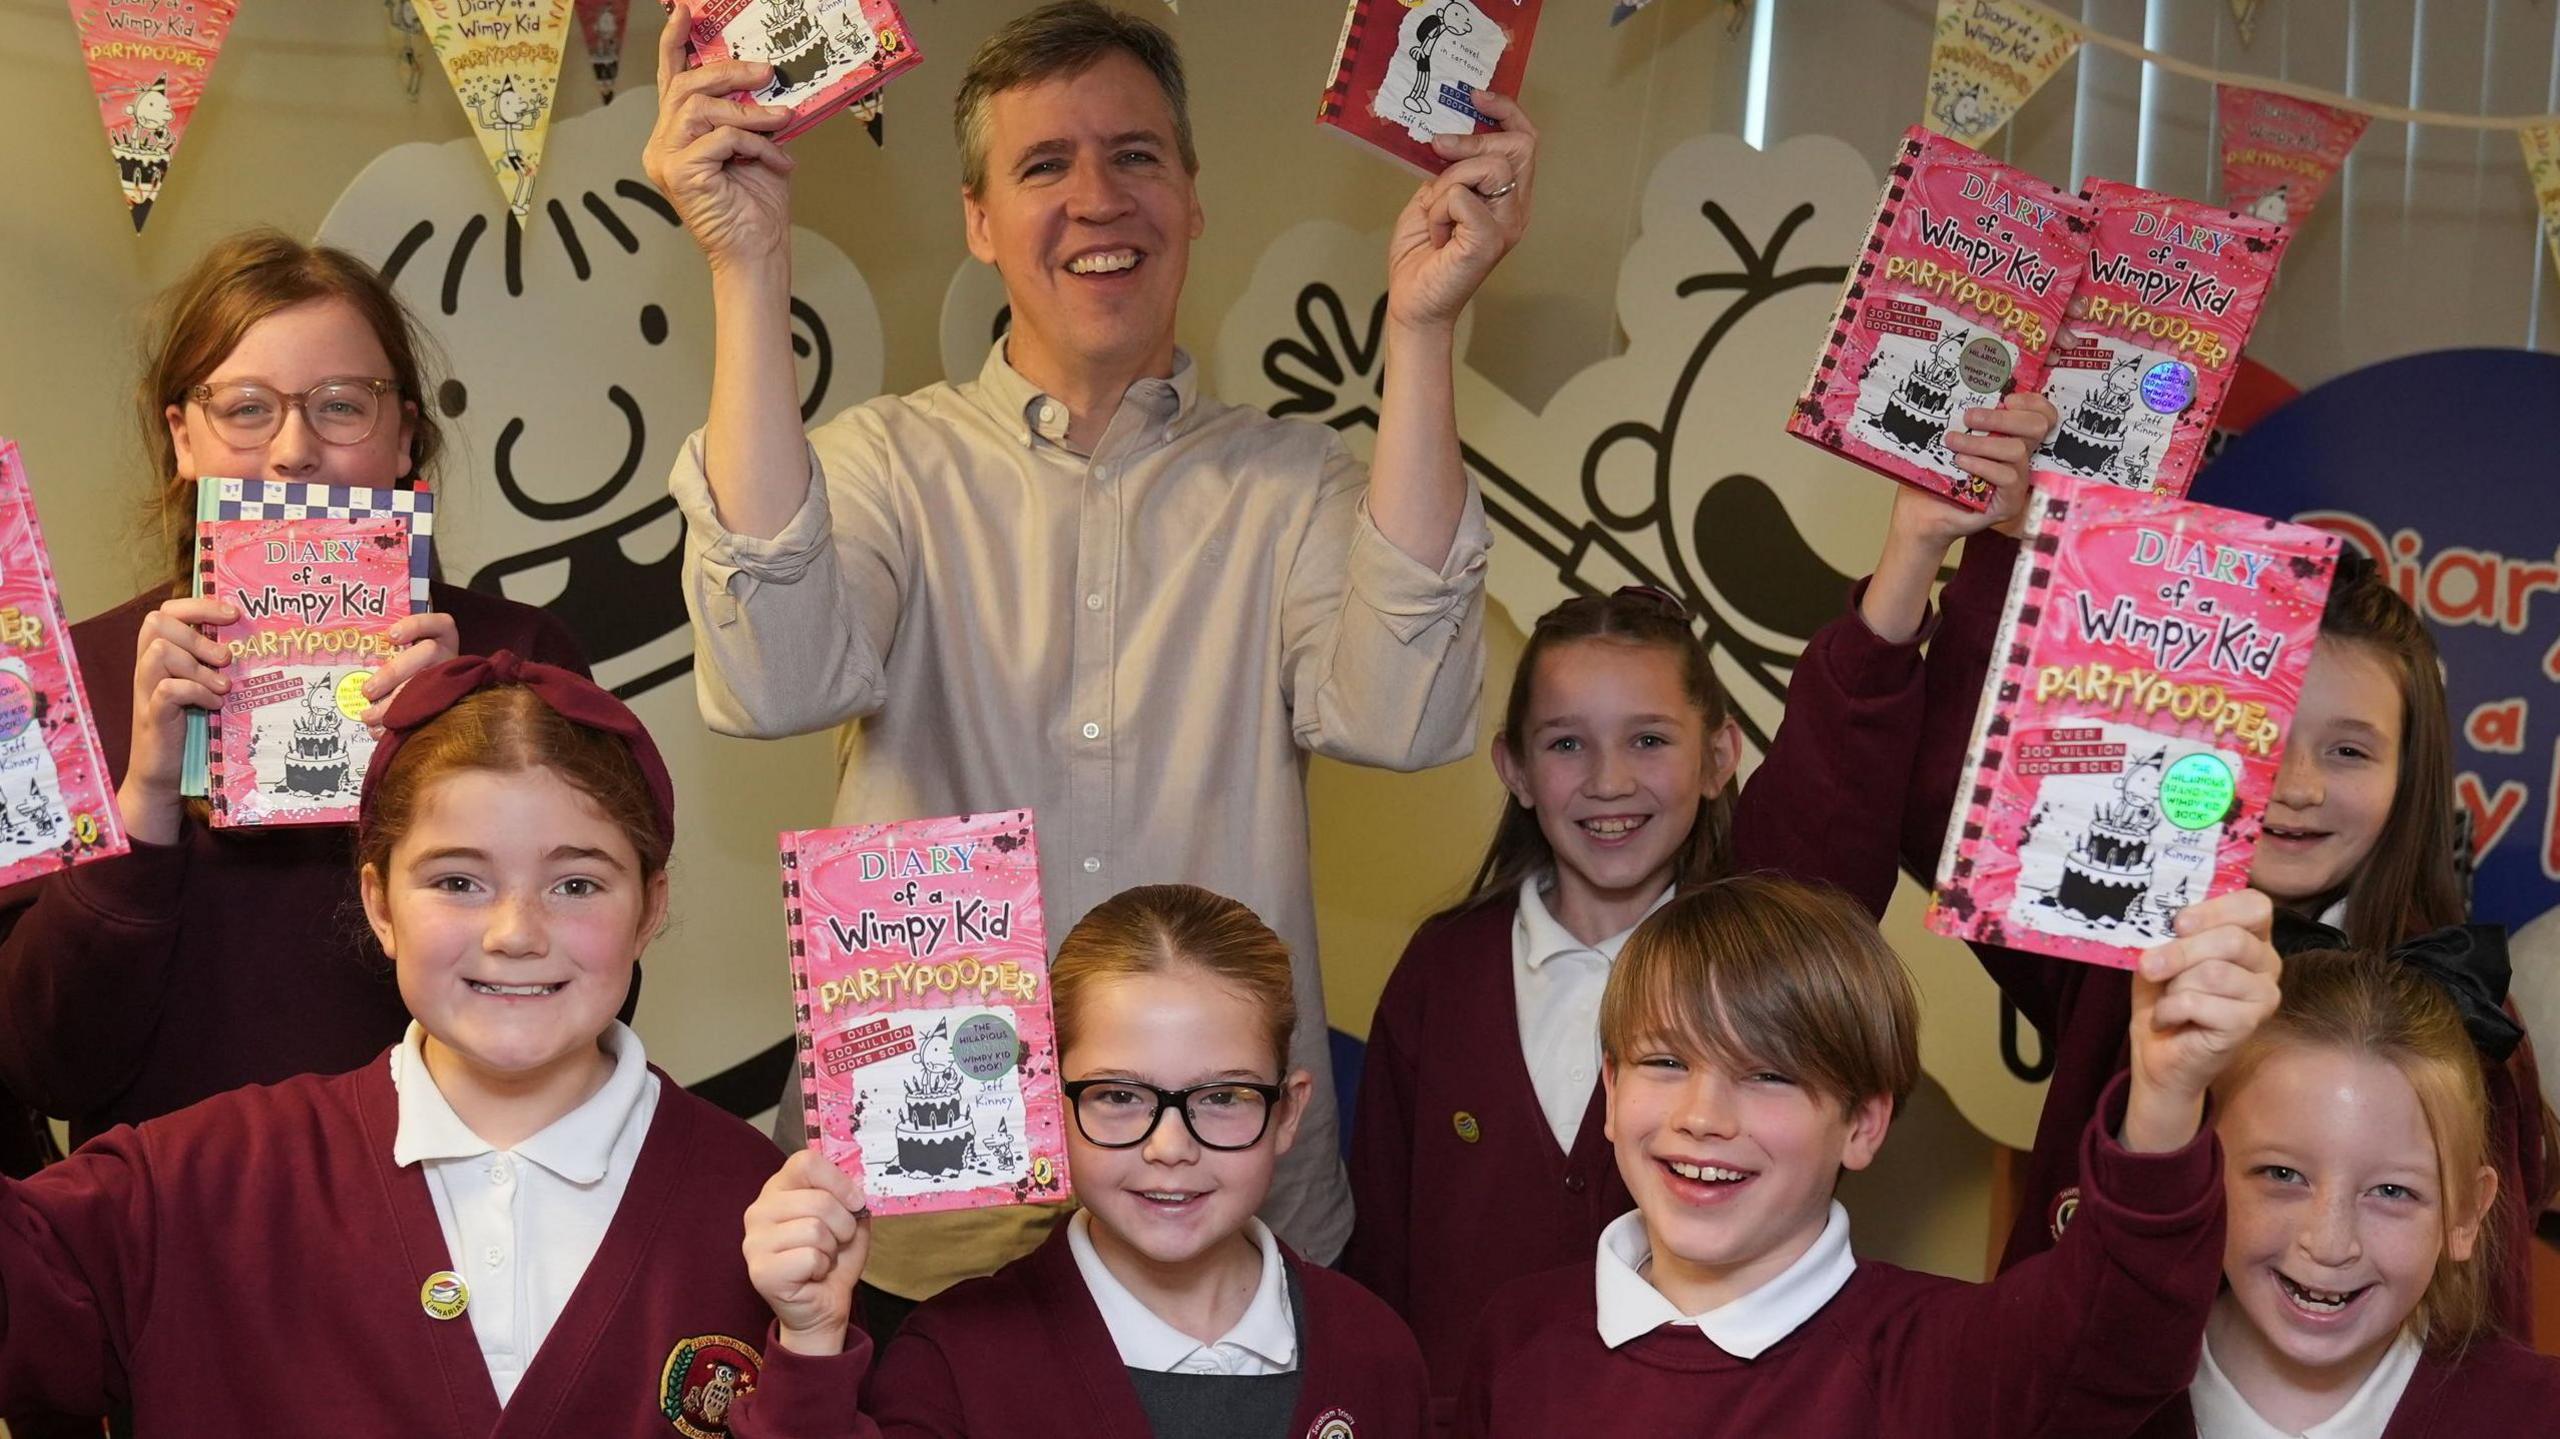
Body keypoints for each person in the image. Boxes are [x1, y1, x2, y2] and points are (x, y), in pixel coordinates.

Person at [647, 0, 1531, 1309]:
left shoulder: (1296, 484)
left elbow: (1400, 715)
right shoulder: (883, 462)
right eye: (1043, 165)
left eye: (1136, 156)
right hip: (924, 1227)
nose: (1097, 197)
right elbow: (774, 679)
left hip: (1226, 1225)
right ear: (979, 220)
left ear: (1192, 197)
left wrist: (1422, 330)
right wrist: (744, 265)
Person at [0, 654, 778, 1432]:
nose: (515, 934)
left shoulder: (762, 1209)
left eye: (575, 884)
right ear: (379, 904)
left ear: (650, 907)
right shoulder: (196, 1182)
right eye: (456, 882)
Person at [1869, 459, 2553, 1332]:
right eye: (2265, 740)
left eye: (2349, 751)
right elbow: (1949, 809)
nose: (2297, 786)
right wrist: (2008, 546)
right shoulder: (2118, 936)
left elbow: (2489, 1333)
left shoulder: (2464, 1005)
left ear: (2408, 776)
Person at [0, 231, 588, 1158]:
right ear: (182, 436)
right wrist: (145, 802)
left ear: (405, 439)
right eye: (244, 408)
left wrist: (463, 750)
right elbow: (42, 1065)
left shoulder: (517, 658)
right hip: (171, 1222)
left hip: (470, 1201)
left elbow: (596, 1002)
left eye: (342, 406)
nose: (294, 450)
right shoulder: (73, 681)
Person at [1454, 874, 2271, 1438]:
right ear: (1611, 1083)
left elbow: (2118, 1331)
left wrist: (2165, 1093)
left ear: (1863, 1124)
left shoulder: (1942, 1359)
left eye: (1770, 1075)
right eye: (1666, 1062)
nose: (1703, 1116)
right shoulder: (1521, 1334)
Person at [728, 884, 1430, 1438]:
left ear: (1287, 1111)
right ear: (1045, 1103)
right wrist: (813, 1338)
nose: (1170, 1146)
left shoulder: (1374, 1351)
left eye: (1222, 1096)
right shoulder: (954, 1360)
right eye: (1119, 1094)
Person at [2126, 946, 2560, 1434]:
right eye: (2283, 1175)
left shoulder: (2538, 1415)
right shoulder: (2094, 1393)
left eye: (2392, 1191)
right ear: (2202, 1169)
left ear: (2465, 1213)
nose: (2329, 1245)